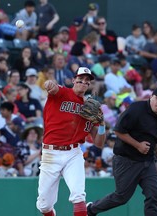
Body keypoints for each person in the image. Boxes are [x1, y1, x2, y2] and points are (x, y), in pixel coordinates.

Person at [87, 87, 157, 216]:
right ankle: (91, 209)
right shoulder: (136, 109)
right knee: (121, 197)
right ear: (151, 97)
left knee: (154, 193)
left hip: (147, 161)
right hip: (126, 160)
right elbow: (118, 130)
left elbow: (154, 136)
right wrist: (138, 145)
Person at [36, 67, 106, 216]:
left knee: (78, 196)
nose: (84, 82)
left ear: (89, 85)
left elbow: (99, 143)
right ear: (74, 80)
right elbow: (52, 87)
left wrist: (101, 124)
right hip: (50, 153)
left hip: (73, 154)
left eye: (87, 80)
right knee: (44, 205)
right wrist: (49, 83)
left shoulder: (90, 108)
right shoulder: (62, 93)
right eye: (81, 78)